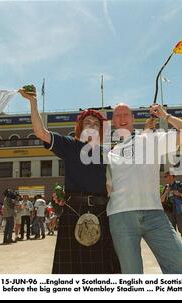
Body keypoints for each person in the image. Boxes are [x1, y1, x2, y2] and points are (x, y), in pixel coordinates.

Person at [20, 86, 120, 274]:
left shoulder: (109, 153)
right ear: (80, 127)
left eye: (96, 123)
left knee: (104, 270)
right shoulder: (70, 145)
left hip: (103, 212)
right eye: (87, 122)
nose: (91, 125)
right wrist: (33, 103)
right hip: (74, 212)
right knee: (71, 271)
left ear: (100, 130)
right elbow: (41, 132)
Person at [107, 103, 182, 274]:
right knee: (132, 276)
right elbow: (108, 187)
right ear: (113, 121)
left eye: (126, 114)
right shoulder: (110, 154)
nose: (122, 118)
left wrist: (165, 115)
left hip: (154, 214)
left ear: (133, 119)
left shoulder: (151, 139)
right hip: (120, 216)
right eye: (117, 115)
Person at [161, 172, 182, 250]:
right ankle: (175, 250)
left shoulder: (180, 185)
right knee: (172, 233)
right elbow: (161, 199)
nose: (165, 178)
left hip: (180, 211)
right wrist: (166, 192)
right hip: (169, 212)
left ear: (171, 176)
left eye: (166, 176)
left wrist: (179, 194)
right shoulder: (166, 187)